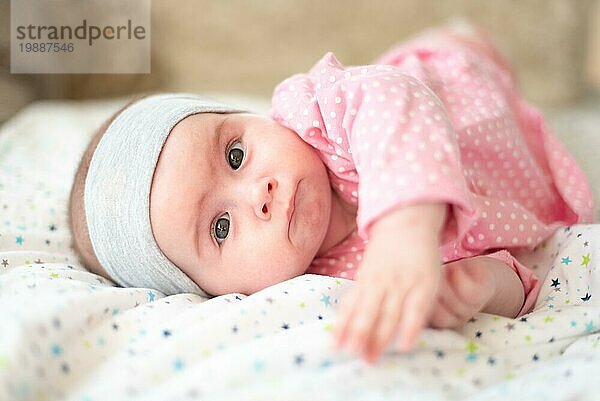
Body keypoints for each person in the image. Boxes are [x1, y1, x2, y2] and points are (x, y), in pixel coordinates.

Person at [68, 23, 595, 364]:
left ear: (250, 117)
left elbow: (398, 99)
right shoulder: (330, 285)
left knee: (460, 50)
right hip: (527, 181)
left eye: (235, 154)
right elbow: (526, 274)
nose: (260, 192)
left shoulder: (319, 116)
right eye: (220, 228)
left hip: (464, 84)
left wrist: (404, 228)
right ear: (217, 291)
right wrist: (482, 287)